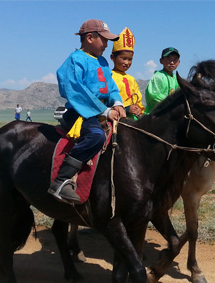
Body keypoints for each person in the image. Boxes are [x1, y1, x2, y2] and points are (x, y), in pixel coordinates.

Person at [49, 18, 126, 204]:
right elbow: (75, 90)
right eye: (104, 40)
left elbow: (111, 86)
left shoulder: (103, 62)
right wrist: (104, 112)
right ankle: (62, 181)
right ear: (90, 38)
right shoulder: (75, 60)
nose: (107, 45)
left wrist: (117, 103)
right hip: (80, 112)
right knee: (96, 137)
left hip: (102, 108)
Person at [110, 27, 145, 121]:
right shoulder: (109, 76)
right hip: (115, 119)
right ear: (112, 57)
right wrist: (127, 108)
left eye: (130, 59)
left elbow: (138, 99)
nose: (127, 62)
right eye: (123, 58)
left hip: (133, 120)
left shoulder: (131, 79)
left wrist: (138, 109)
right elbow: (107, 101)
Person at [144, 47, 180, 114]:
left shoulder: (176, 79)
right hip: (153, 116)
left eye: (175, 60)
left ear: (178, 62)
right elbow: (154, 97)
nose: (172, 62)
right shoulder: (158, 77)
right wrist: (172, 104)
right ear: (161, 61)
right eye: (168, 59)